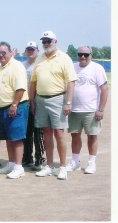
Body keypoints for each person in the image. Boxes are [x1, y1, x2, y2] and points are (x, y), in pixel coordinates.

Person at [29, 30, 77, 180]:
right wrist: (32, 100)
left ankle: (62, 167)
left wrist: (68, 102)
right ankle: (49, 165)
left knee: (59, 133)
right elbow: (34, 81)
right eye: (44, 41)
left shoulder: (64, 58)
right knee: (47, 134)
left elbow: (71, 81)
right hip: (41, 99)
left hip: (58, 99)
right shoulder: (40, 59)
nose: (46, 44)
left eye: (49, 41)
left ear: (55, 41)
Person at [0, 41, 29, 179]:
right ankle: (11, 164)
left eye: (4, 53)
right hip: (1, 108)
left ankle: (18, 167)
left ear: (11, 52)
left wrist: (14, 105)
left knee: (16, 138)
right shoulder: (0, 68)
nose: (1, 55)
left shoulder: (17, 66)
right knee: (9, 138)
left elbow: (20, 88)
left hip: (15, 106)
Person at [66, 46, 108, 174]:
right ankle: (75, 161)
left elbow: (104, 89)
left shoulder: (97, 68)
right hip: (74, 110)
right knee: (75, 136)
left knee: (92, 136)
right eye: (80, 54)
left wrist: (100, 109)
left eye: (85, 54)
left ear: (91, 55)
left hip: (91, 110)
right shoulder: (72, 67)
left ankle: (91, 163)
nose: (82, 57)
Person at [21, 41, 45, 171]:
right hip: (24, 101)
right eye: (28, 49)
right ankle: (27, 157)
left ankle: (39, 159)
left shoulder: (41, 65)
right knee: (26, 132)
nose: (30, 51)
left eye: (33, 49)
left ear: (37, 51)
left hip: (38, 101)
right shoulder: (21, 65)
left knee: (38, 132)